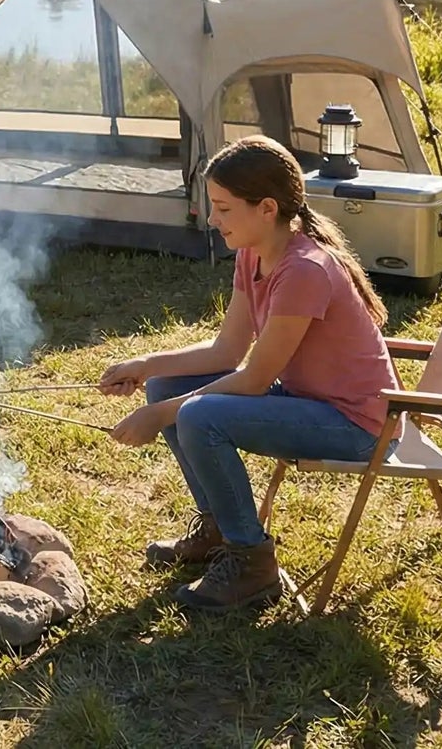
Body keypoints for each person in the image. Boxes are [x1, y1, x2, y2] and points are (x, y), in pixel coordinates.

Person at [98, 134, 398, 612]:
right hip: (306, 398)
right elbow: (227, 350)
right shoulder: (254, 253)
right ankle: (218, 527)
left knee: (196, 415)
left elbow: (254, 380)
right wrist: (146, 366)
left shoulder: (304, 270)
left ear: (266, 208)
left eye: (223, 208)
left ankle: (251, 563)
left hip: (358, 426)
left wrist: (160, 416)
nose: (212, 220)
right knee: (168, 386)